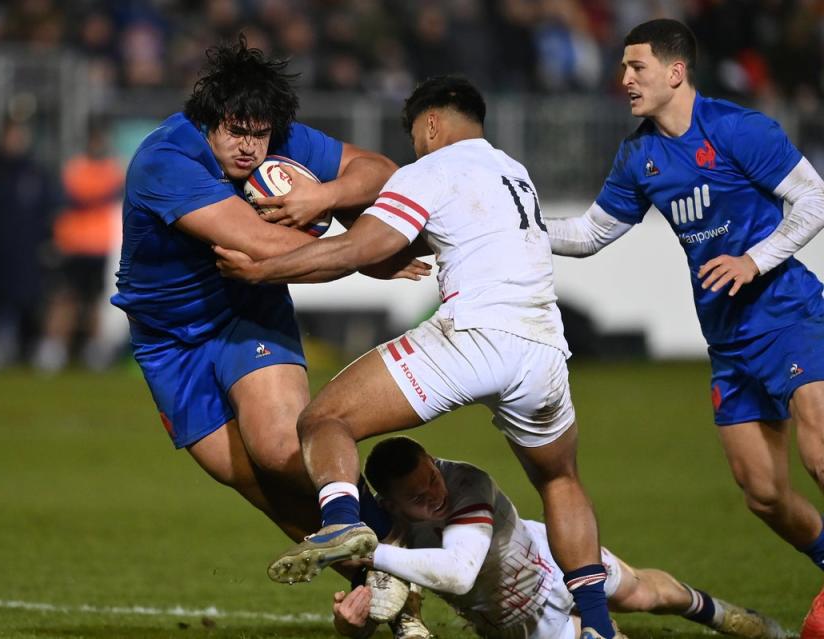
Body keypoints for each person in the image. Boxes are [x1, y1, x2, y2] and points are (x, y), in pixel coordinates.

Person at [215, 75, 619, 639]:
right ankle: (597, 625)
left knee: (324, 420)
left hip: (476, 333)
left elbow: (360, 248)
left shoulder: (430, 169)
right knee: (560, 480)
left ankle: (341, 524)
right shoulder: (514, 173)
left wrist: (264, 268)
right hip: (544, 348)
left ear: (430, 125)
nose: (415, 147)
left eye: (415, 136)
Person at [542, 19, 824, 636]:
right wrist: (517, 223)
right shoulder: (639, 154)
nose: (624, 79)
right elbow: (591, 235)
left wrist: (755, 259)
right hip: (728, 339)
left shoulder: (737, 129)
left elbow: (815, 199)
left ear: (675, 71)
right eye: (622, 68)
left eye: (635, 67)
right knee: (763, 494)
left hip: (791, 314)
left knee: (819, 451)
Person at [110, 36, 422, 554]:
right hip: (168, 340)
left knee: (279, 451)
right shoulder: (165, 160)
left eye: (260, 134)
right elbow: (263, 246)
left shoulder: (279, 138)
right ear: (210, 120)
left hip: (246, 311)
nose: (250, 147)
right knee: (261, 486)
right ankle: (385, 583)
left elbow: (379, 170)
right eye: (236, 131)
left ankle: (404, 547)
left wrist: (325, 194)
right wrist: (365, 253)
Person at [330, 436, 788, 639]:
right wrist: (347, 626)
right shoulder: (392, 537)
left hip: (555, 558)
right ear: (390, 506)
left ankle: (723, 615)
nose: (435, 494)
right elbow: (377, 612)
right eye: (416, 495)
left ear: (434, 460)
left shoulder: (466, 481)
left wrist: (372, 555)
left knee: (648, 594)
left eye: (432, 476)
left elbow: (457, 574)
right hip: (519, 621)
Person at [35, 121, 124, 373]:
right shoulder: (77, 169)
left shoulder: (112, 170)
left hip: (99, 246)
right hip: (74, 244)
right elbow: (74, 198)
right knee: (65, 298)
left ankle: (95, 350)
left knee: (95, 301)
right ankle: (53, 348)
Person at [0, 118, 58, 372]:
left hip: (28, 247)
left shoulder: (35, 172)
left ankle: (29, 347)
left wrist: (46, 239)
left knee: (29, 299)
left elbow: (46, 209)